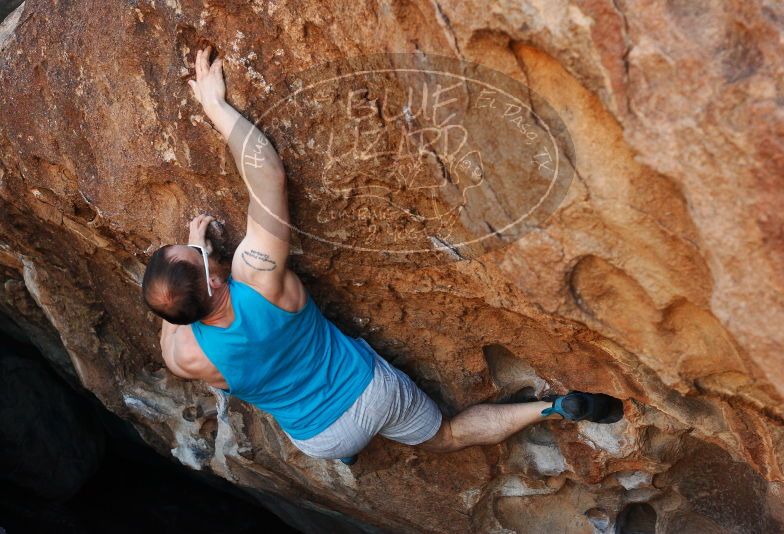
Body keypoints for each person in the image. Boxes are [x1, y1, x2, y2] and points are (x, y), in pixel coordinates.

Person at [141, 47, 618, 464]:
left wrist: (190, 273)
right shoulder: (256, 277)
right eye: (198, 255)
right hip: (369, 391)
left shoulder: (185, 355)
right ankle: (552, 409)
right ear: (217, 280)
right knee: (447, 434)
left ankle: (351, 453)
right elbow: (267, 176)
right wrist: (216, 106)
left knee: (396, 443)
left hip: (320, 437)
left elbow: (176, 322)